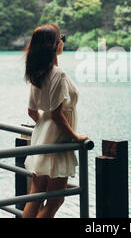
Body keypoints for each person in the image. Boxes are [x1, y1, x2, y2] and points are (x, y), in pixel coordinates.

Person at [22, 23, 88, 218]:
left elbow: (32, 112)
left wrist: (45, 127)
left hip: (42, 135)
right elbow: (58, 115)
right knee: (55, 199)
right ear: (53, 45)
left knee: (36, 195)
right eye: (61, 39)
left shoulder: (38, 72)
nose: (63, 42)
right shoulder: (58, 75)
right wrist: (75, 136)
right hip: (59, 139)